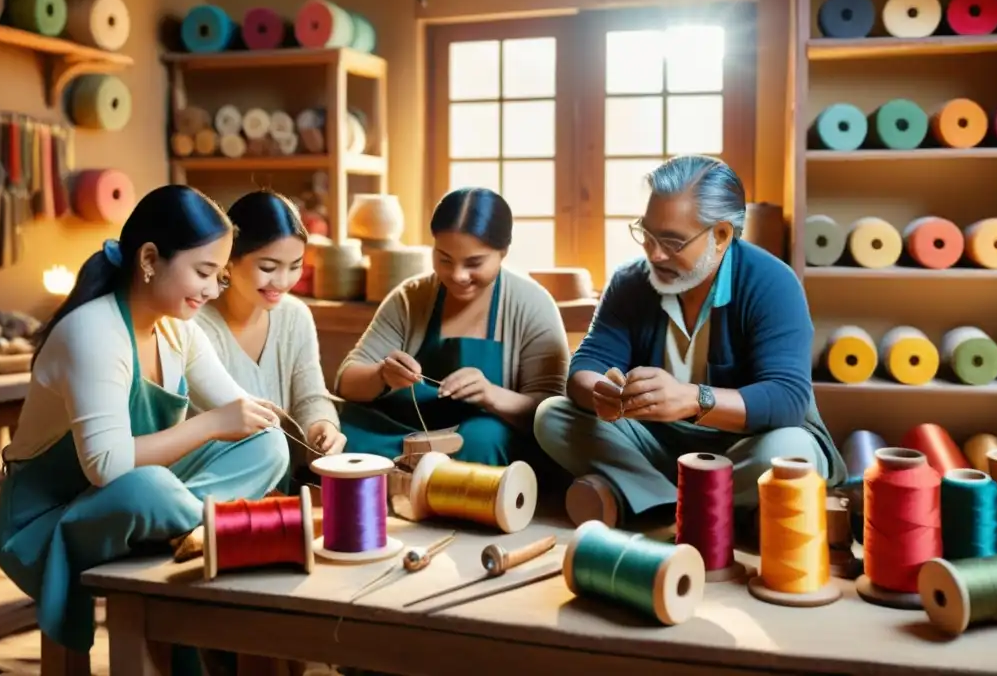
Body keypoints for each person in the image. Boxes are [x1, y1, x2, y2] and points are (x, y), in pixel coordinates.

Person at [0, 185, 290, 657]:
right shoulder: (94, 332)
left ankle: (190, 529)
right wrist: (213, 424)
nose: (213, 291)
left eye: (220, 277)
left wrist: (275, 421)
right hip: (49, 522)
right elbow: (107, 469)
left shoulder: (177, 330)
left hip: (134, 501)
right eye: (203, 272)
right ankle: (212, 531)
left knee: (270, 446)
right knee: (148, 488)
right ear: (150, 259)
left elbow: (237, 408)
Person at [533, 155, 847, 531]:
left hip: (743, 445)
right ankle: (678, 508)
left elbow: (788, 399)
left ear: (721, 236)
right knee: (552, 415)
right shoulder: (630, 281)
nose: (654, 253)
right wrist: (603, 392)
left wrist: (695, 400)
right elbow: (585, 367)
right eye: (647, 234)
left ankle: (641, 497)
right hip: (655, 442)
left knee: (788, 451)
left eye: (672, 241)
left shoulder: (772, 283)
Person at [335, 187, 570, 467]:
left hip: (477, 438)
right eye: (444, 259)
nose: (457, 275)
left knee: (483, 438)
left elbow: (553, 414)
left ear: (503, 252)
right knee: (336, 429)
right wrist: (382, 375)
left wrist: (491, 395)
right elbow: (346, 381)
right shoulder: (411, 297)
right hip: (403, 433)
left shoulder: (532, 303)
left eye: (474, 263)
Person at [194, 190, 345, 491]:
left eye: (295, 266)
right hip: (215, 487)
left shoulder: (295, 316)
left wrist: (322, 426)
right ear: (228, 261)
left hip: (282, 486)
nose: (283, 281)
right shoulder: (196, 327)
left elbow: (310, 396)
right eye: (268, 267)